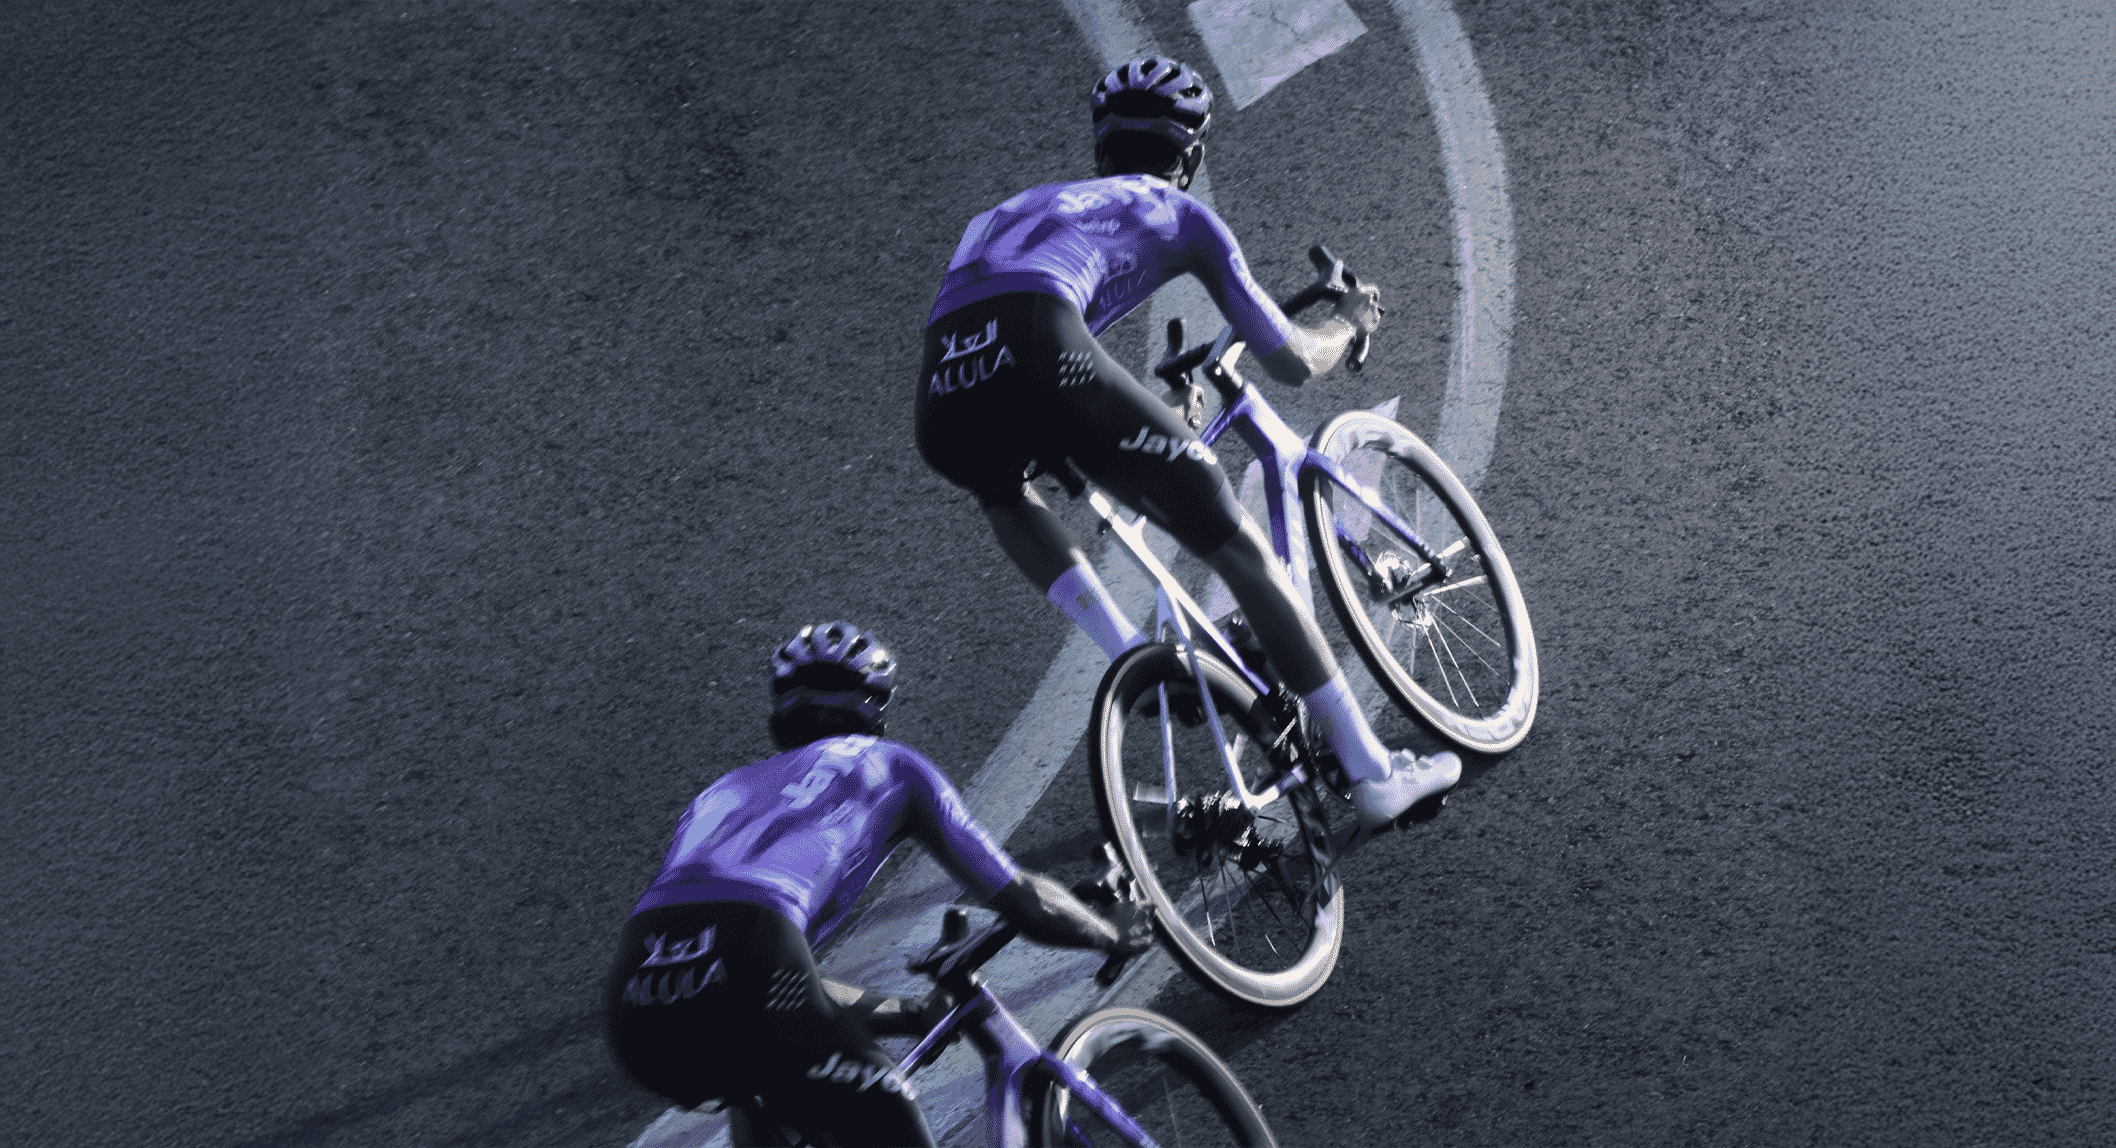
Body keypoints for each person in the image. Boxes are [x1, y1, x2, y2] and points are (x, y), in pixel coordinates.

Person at [914, 56, 1459, 830]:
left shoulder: (1003, 213)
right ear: (1193, 156)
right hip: (1044, 341)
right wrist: (1349, 321)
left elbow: (1027, 374)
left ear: (1101, 148)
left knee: (1001, 485)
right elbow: (1290, 363)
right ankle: (1374, 773)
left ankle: (1131, 656)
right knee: (1235, 546)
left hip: (942, 394)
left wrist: (1161, 407)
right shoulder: (1183, 214)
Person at [603, 621, 1151, 1148]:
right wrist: (1110, 933)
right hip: (752, 967)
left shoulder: (718, 794)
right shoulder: (891, 764)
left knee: (760, 1084)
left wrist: (911, 1014)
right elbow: (1023, 900)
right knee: (878, 1106)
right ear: (874, 708)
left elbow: (769, 982)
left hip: (635, 1003)